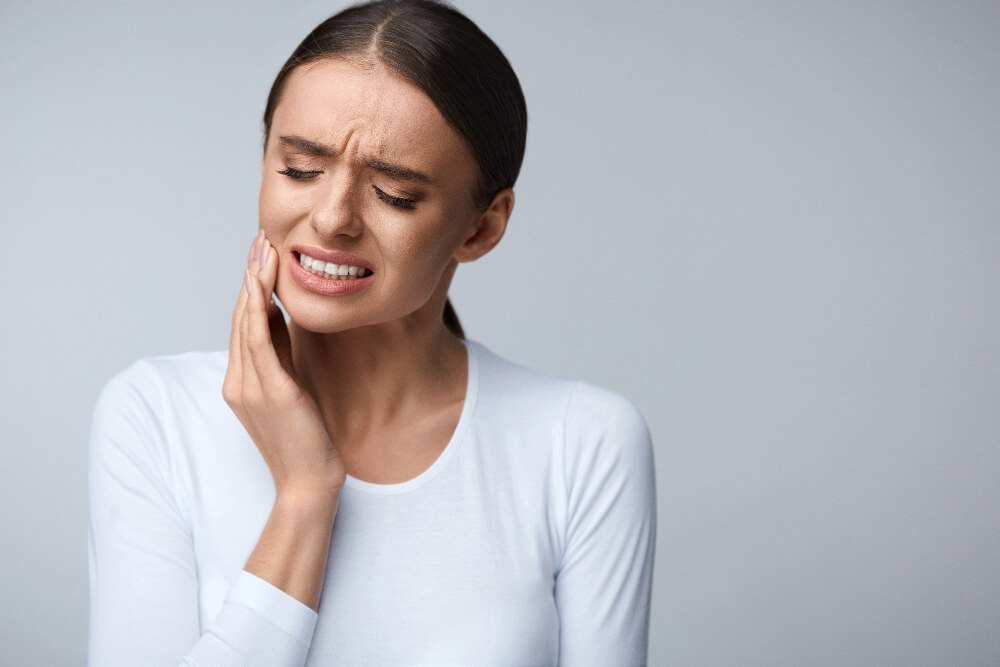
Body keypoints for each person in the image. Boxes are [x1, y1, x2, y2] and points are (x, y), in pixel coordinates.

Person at [87, 1, 656, 664]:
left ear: (482, 227)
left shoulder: (582, 443)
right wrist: (303, 498)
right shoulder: (154, 416)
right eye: (300, 168)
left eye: (393, 193)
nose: (330, 218)